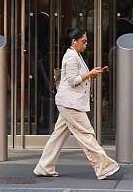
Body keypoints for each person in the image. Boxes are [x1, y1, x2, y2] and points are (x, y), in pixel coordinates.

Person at [34, 27, 120, 180]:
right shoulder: (72, 57)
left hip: (68, 102)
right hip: (70, 103)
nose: (86, 44)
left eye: (86, 41)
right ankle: (104, 167)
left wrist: (91, 73)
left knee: (58, 135)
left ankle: (44, 166)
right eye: (83, 41)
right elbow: (73, 81)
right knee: (86, 134)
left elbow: (77, 78)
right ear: (74, 41)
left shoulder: (75, 55)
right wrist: (90, 74)